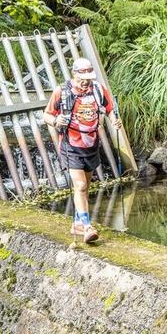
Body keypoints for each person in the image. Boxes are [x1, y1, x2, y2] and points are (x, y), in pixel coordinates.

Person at [43, 57, 122, 243]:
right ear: (74, 73)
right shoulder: (62, 91)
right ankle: (87, 227)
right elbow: (46, 115)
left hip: (91, 144)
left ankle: (78, 223)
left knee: (86, 186)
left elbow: (109, 108)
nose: (86, 81)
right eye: (83, 77)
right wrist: (56, 121)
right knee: (80, 186)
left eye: (89, 77)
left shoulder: (97, 89)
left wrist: (114, 120)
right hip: (70, 144)